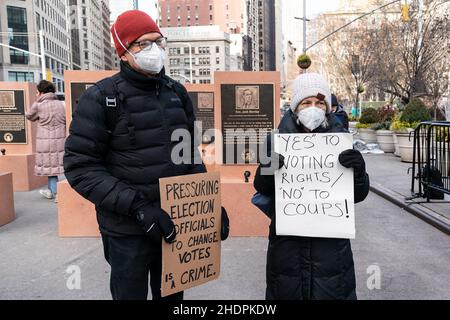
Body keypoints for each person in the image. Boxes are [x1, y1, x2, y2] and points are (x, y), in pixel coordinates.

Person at [63, 10, 229, 300]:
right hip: (126, 229)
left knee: (172, 297)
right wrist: (138, 207)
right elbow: (81, 168)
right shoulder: (100, 98)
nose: (154, 50)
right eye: (142, 44)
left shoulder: (177, 93)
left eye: (157, 41)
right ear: (124, 53)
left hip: (176, 222)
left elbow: (188, 155)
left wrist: (207, 205)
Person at [253, 73, 370, 300]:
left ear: (327, 107)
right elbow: (262, 188)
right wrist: (267, 170)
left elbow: (358, 195)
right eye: (307, 102)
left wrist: (359, 171)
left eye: (319, 103)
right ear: (296, 107)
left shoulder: (341, 139)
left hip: (332, 251)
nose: (313, 108)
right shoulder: (276, 140)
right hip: (287, 249)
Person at [26, 80, 66, 202]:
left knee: (51, 168)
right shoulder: (61, 104)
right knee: (61, 166)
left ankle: (55, 192)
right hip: (61, 140)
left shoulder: (38, 105)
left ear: (41, 92)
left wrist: (37, 100)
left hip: (45, 141)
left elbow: (29, 115)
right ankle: (53, 191)